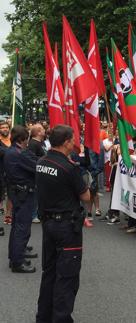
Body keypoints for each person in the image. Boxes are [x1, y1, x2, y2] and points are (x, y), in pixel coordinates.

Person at [36, 125, 91, 322]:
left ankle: (43, 317)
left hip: (49, 224)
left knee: (49, 273)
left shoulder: (41, 161)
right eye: (73, 139)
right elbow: (85, 196)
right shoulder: (69, 168)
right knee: (67, 278)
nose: (74, 142)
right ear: (67, 141)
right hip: (67, 228)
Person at [5, 125, 39, 273]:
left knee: (17, 226)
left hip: (18, 192)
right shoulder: (19, 154)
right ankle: (17, 262)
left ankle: (15, 256)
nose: (28, 141)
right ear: (22, 139)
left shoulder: (12, 151)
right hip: (23, 193)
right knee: (21, 227)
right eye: (27, 138)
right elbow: (36, 166)